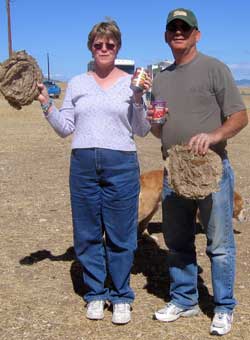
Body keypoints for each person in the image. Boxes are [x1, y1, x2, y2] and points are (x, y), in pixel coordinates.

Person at [37, 20, 151, 324]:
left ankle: (121, 294)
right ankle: (96, 293)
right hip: (83, 165)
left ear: (118, 47)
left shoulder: (132, 82)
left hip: (122, 164)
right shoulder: (77, 83)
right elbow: (66, 128)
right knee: (86, 232)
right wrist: (47, 105)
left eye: (110, 44)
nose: (104, 49)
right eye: (98, 44)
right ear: (91, 47)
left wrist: (139, 99)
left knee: (121, 233)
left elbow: (142, 130)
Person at [149, 8, 248, 336]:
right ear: (166, 36)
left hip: (211, 172)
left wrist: (214, 136)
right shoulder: (161, 78)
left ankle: (223, 307)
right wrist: (154, 124)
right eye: (173, 28)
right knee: (177, 241)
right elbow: (158, 130)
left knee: (219, 244)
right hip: (174, 173)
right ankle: (184, 299)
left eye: (185, 28)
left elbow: (239, 116)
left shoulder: (214, 69)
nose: (179, 32)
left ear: (196, 34)